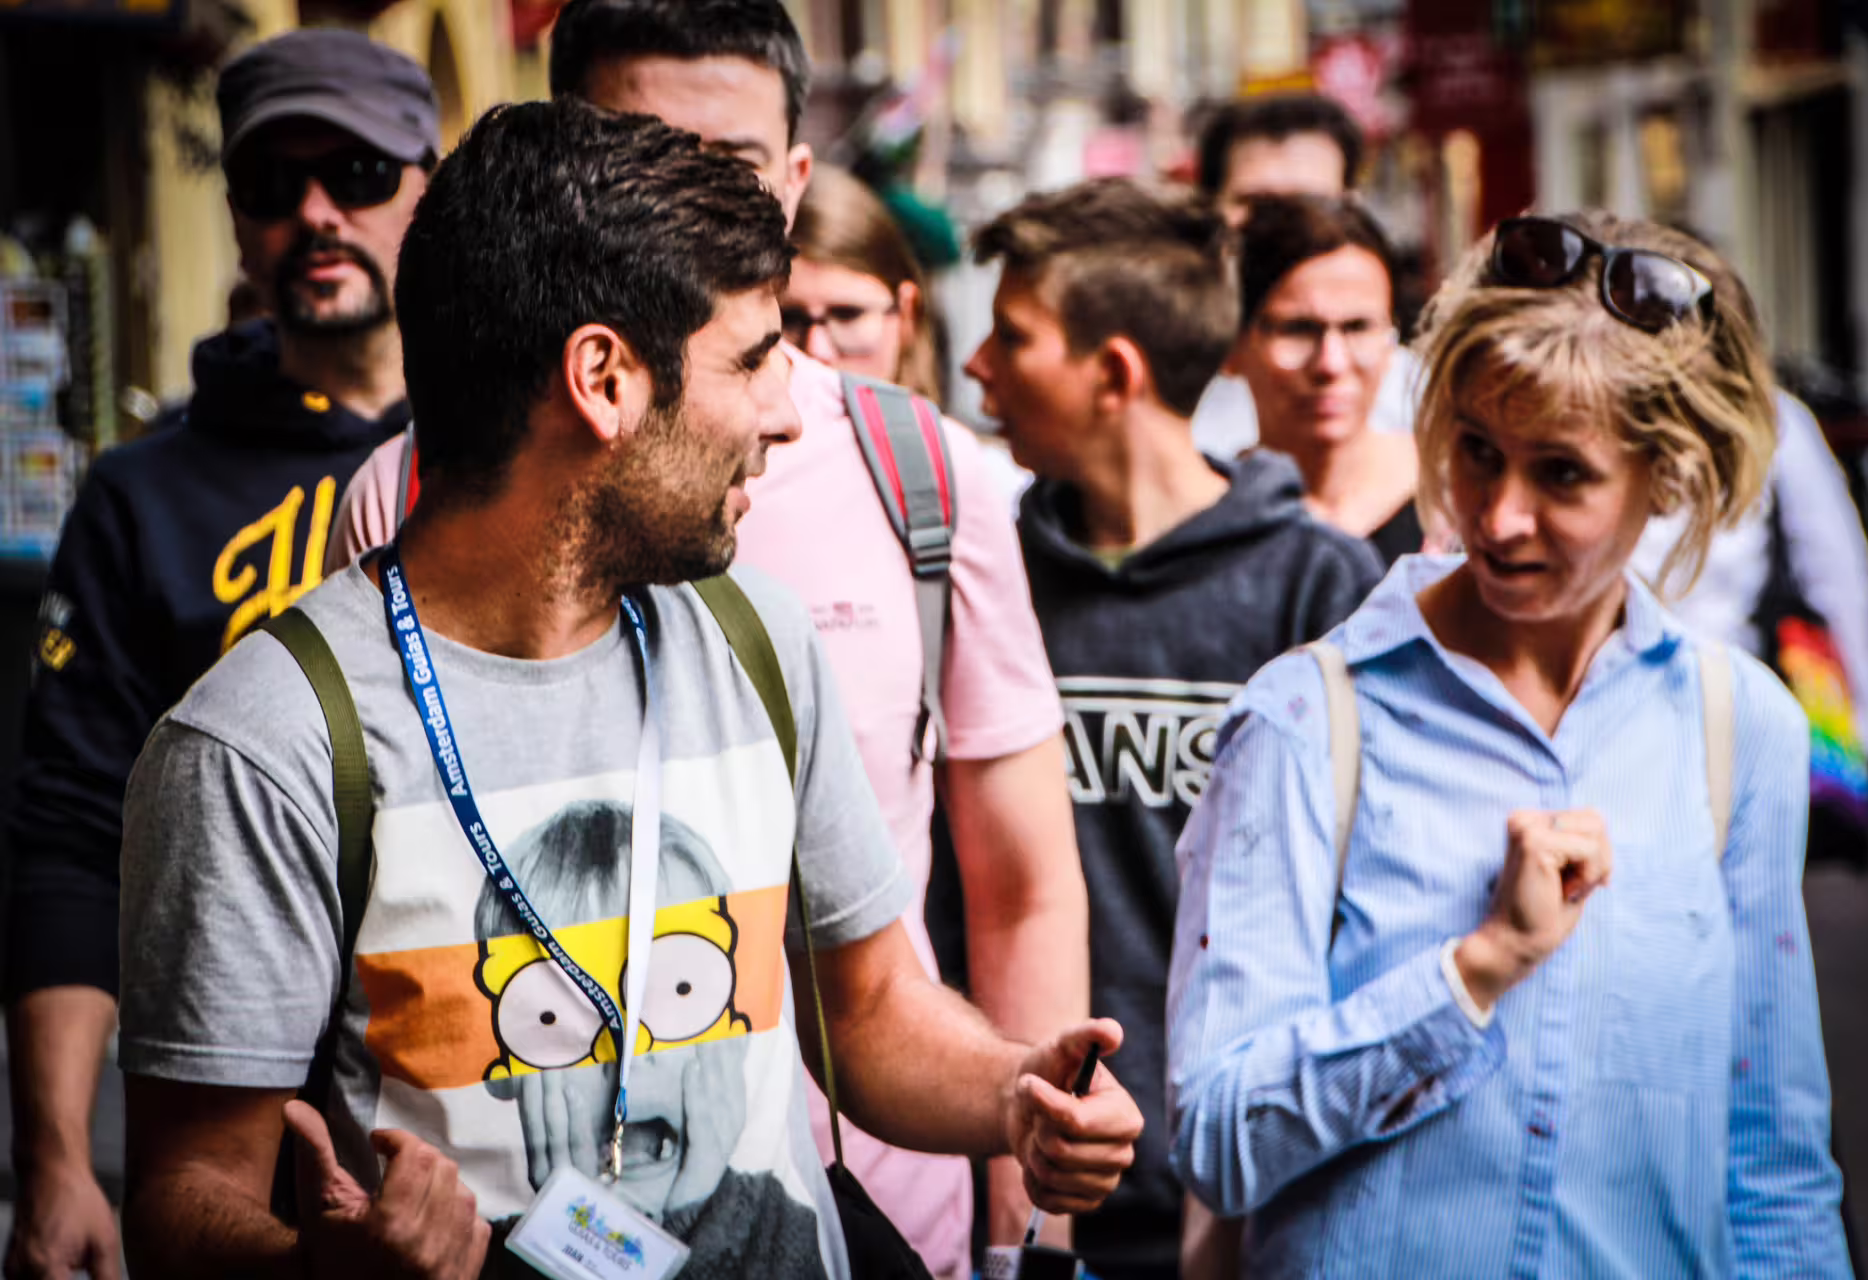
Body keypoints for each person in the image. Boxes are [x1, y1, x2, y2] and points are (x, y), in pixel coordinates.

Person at [115, 99, 1141, 1280]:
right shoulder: (264, 742)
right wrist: (325, 1266)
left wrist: (1017, 1096)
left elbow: (867, 1011)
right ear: (603, 377)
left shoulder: (756, 636)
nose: (789, 413)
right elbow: (183, 1196)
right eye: (754, 358)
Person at [325, 3, 1087, 1269]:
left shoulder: (922, 476)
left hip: (888, 1200)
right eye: (632, 147)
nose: (666, 196)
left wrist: (1031, 1195)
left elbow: (1020, 884)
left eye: (721, 168)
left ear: (794, 179)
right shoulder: (416, 491)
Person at [1166, 211, 1852, 1276]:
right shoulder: (1309, 721)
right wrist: (1472, 973)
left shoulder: (1736, 726)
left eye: (1562, 474)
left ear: (1664, 480)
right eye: (1477, 451)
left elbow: (1772, 1159)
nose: (1498, 515)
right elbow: (1217, 1137)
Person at [1, 30, 430, 1280]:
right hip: (228, 1138)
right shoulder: (143, 499)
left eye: (354, 172)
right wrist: (59, 1160)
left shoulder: (507, 462)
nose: (315, 213)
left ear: (428, 186)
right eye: (270, 183)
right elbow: (73, 833)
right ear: (236, 220)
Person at [963, 178, 1382, 1280]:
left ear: (1114, 374)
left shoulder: (1320, 583)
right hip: (1018, 1176)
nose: (977, 367)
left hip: (1240, 1193)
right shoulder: (984, 569)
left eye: (1012, 337)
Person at [1627, 226, 1868, 764]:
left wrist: (1865, 719)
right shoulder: (1776, 422)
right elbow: (1837, 573)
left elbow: (1834, 574)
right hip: (1715, 709)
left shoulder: (1775, 423)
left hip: (1720, 711)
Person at [1188, 93, 1420, 460]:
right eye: (1259, 205)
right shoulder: (1166, 391)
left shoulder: (1417, 400)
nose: (1283, 228)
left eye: (1312, 203)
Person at [1230, 195, 1423, 560]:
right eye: (1298, 330)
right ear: (1233, 348)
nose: (1330, 364)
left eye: (1357, 328)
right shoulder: (1207, 522)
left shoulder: (1458, 500)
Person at [785, 162, 942, 400]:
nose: (816, 350)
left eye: (848, 315)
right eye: (787, 319)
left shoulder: (946, 439)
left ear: (907, 313)